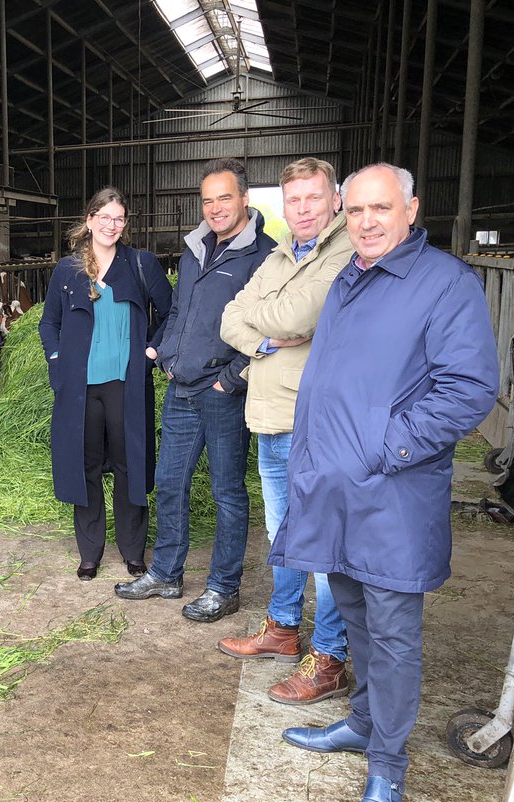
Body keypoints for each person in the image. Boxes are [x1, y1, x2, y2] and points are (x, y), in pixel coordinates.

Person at [273, 163, 498, 802]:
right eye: (359, 209)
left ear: (411, 209)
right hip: (337, 489)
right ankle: (363, 722)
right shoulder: (349, 276)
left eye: (382, 207)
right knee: (357, 618)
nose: (368, 221)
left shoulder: (445, 283)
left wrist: (387, 446)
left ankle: (388, 768)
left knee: (395, 634)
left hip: (391, 492)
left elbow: (468, 388)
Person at [216, 157, 352, 704]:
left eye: (313, 198)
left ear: (334, 199)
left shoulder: (343, 251)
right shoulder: (277, 255)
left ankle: (331, 655)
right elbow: (230, 316)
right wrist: (267, 338)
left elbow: (300, 315)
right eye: (293, 200)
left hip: (313, 419)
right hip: (270, 415)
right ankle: (283, 629)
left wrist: (269, 318)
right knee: (284, 536)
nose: (302, 209)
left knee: (323, 542)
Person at [115, 158, 275, 621]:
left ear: (245, 198)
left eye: (225, 197)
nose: (216, 208)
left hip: (223, 391)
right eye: (208, 200)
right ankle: (166, 573)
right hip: (182, 388)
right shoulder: (193, 251)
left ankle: (224, 588)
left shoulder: (263, 256)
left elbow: (268, 328)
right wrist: (164, 354)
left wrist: (234, 377)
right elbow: (180, 311)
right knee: (169, 483)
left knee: (227, 492)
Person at [40, 187, 172, 581]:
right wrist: (57, 358)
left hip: (125, 384)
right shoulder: (68, 269)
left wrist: (152, 352)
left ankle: (133, 551)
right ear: (90, 220)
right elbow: (50, 322)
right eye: (104, 217)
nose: (111, 225)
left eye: (119, 219)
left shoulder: (141, 265)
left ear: (124, 224)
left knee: (130, 465)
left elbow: (172, 312)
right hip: (80, 387)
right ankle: (90, 554)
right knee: (87, 467)